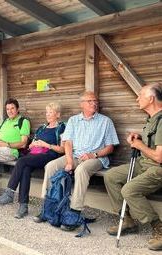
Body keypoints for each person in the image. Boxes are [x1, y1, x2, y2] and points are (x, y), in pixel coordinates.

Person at [36, 91, 119, 225]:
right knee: (51, 166)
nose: (94, 103)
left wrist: (93, 155)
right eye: (90, 101)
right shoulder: (73, 120)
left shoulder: (105, 121)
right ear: (82, 104)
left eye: (95, 101)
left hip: (96, 158)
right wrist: (69, 161)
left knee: (81, 170)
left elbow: (110, 147)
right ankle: (48, 207)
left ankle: (74, 212)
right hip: (74, 156)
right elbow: (68, 142)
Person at [104, 82, 162, 251]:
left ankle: (158, 228)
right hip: (144, 163)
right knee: (111, 176)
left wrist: (139, 145)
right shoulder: (153, 119)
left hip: (157, 168)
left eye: (140, 96)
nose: (137, 99)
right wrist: (140, 139)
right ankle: (127, 220)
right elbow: (153, 145)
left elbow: (159, 156)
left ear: (151, 99)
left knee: (129, 190)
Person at [0, 102, 65, 218]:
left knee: (22, 161)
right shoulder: (42, 128)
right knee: (25, 168)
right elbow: (30, 145)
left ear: (58, 114)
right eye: (47, 112)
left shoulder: (61, 127)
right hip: (35, 155)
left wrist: (46, 145)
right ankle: (23, 206)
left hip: (50, 155)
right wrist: (33, 145)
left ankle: (9, 192)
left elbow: (62, 149)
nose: (48, 114)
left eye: (50, 112)